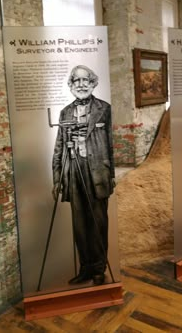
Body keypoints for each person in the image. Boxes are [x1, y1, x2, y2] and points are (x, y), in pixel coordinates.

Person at [52, 65, 115, 285]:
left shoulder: (104, 109)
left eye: (85, 80)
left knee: (98, 222)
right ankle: (85, 267)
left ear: (93, 83)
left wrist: (112, 175)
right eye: (76, 81)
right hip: (74, 173)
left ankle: (99, 268)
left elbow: (111, 144)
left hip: (97, 172)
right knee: (80, 224)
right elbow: (58, 146)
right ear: (70, 85)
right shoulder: (65, 112)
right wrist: (57, 178)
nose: (81, 84)